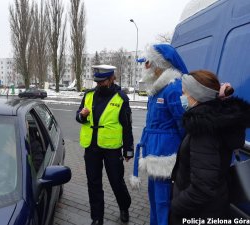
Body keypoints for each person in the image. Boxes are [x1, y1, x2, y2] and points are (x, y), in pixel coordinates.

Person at [169, 70, 250, 224]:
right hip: (212, 208)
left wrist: (176, 205)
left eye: (184, 93)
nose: (182, 97)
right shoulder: (215, 121)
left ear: (196, 95)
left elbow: (202, 188)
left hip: (196, 214)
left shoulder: (203, 131)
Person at [130, 44, 188, 225]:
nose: (144, 67)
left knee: (164, 204)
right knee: (155, 202)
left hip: (167, 158)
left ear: (159, 64)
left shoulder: (173, 89)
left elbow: (184, 126)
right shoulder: (156, 91)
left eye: (147, 63)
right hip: (153, 154)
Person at [76, 65, 134, 225]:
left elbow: (127, 126)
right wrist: (82, 116)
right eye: (97, 82)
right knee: (93, 183)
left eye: (102, 81)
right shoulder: (88, 95)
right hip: (91, 147)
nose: (99, 84)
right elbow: (79, 115)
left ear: (110, 80)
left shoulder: (121, 98)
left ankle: (124, 206)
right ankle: (97, 217)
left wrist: (128, 150)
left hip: (112, 149)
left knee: (116, 181)